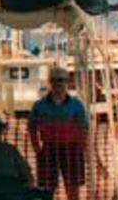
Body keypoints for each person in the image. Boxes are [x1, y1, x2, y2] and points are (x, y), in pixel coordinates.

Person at [29, 66, 88, 200]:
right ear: (50, 82)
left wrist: (81, 148)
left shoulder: (77, 105)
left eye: (61, 80)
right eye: (55, 80)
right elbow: (32, 127)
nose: (58, 84)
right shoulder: (39, 105)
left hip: (71, 148)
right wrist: (37, 148)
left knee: (73, 188)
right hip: (49, 148)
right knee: (46, 189)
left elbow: (83, 128)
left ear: (66, 82)